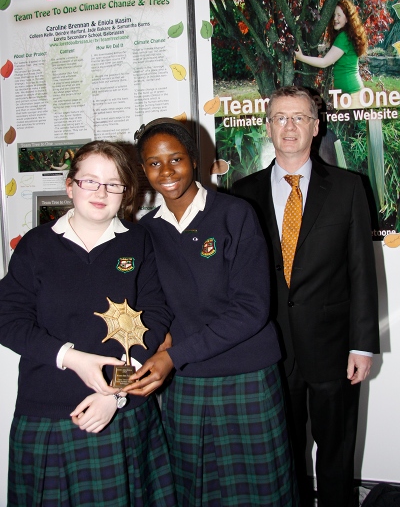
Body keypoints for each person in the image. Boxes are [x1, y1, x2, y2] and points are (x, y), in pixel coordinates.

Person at [125, 118, 299, 506]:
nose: (166, 171)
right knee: (195, 491)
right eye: (154, 163)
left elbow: (252, 310)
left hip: (246, 376)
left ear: (195, 159)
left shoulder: (235, 214)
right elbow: (154, 306)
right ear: (143, 170)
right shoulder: (145, 232)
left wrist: (173, 355)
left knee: (262, 492)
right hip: (186, 384)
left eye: (176, 159)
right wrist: (157, 344)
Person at [0, 140, 177, 507]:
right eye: (90, 181)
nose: (101, 192)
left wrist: (115, 392)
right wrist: (73, 358)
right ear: (70, 186)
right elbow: (8, 319)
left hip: (121, 414)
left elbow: (155, 320)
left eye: (114, 183)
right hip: (46, 415)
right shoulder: (35, 246)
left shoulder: (139, 242)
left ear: (125, 191)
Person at [232, 86, 380, 507]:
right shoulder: (242, 194)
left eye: (299, 117)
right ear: (268, 127)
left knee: (336, 451)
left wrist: (362, 344)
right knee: (282, 452)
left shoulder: (349, 188)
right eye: (281, 117)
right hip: (270, 348)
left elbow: (361, 272)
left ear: (316, 127)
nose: (290, 126)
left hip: (335, 348)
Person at [295, 0, 368, 108]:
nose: (335, 19)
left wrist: (301, 57)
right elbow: (325, 48)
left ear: (347, 18)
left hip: (352, 95)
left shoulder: (344, 37)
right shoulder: (346, 35)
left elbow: (325, 62)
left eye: (339, 15)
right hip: (349, 94)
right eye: (334, 15)